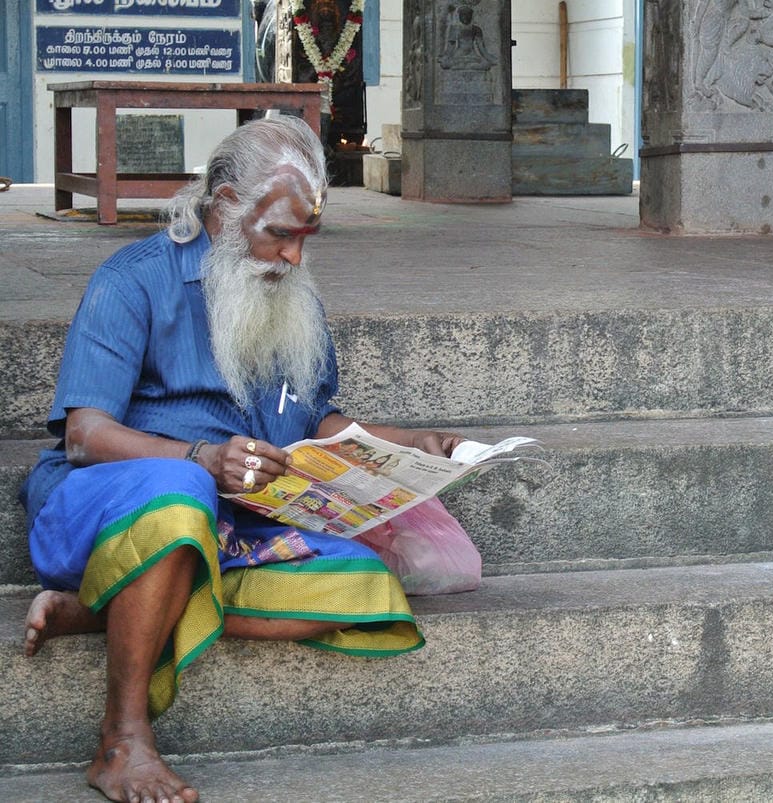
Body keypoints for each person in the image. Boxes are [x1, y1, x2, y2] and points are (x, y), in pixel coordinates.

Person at [19, 115, 463, 803]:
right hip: (112, 505)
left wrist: (411, 444)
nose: (291, 257)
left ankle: (112, 607)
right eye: (279, 233)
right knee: (177, 493)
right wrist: (201, 456)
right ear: (225, 208)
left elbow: (314, 419)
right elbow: (85, 434)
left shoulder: (292, 295)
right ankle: (122, 738)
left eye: (305, 239)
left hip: (234, 527)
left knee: (365, 583)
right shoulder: (132, 280)